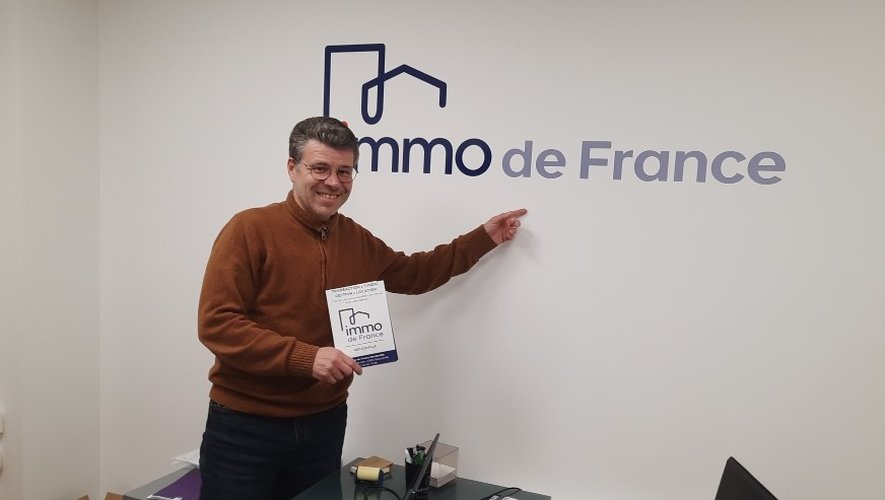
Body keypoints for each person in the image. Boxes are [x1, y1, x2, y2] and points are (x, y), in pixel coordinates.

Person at [196, 116, 527, 500]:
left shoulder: (354, 238)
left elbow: (415, 273)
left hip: (323, 424)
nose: (333, 182)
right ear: (292, 168)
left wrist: (482, 238)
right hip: (244, 427)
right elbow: (218, 323)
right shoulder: (249, 229)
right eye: (319, 168)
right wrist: (306, 357)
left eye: (344, 171)